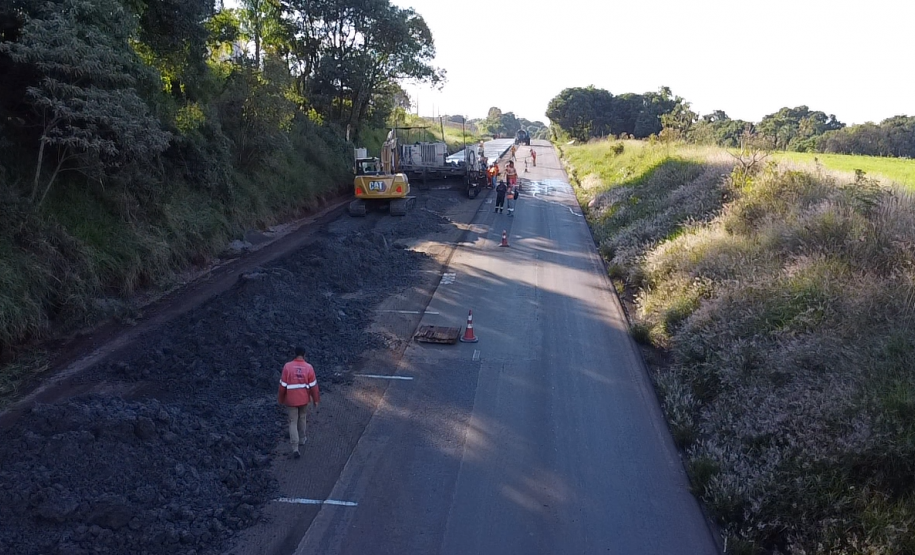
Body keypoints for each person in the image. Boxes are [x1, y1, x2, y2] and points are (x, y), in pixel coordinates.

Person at [277, 347, 321, 458]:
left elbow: (282, 386)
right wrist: (316, 400)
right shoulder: (309, 368)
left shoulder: (287, 367)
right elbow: (314, 387)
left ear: (295, 354)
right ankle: (302, 439)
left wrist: (281, 399)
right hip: (304, 399)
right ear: (304, 354)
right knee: (302, 418)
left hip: (291, 400)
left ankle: (295, 448)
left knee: (292, 422)